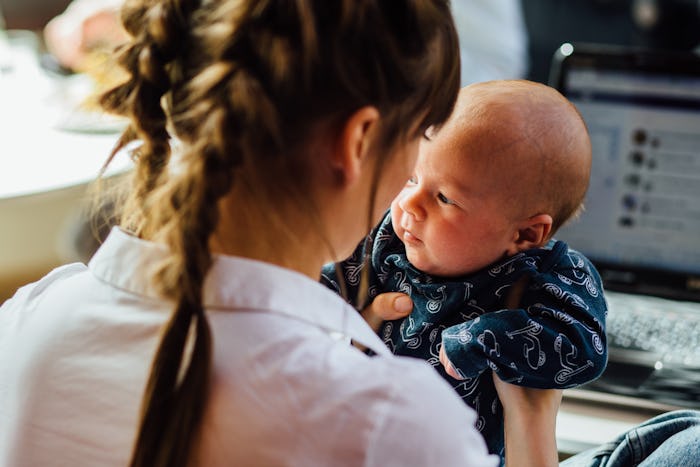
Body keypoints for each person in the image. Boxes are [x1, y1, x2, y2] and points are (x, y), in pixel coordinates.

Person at [1, 1, 540, 466]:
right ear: (358, 140)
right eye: (422, 135)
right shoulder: (392, 424)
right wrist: (532, 416)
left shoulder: (28, 320)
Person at [322, 79, 608, 459]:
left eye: (444, 197)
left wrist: (484, 339)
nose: (409, 204)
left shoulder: (546, 277)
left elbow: (583, 349)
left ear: (525, 233)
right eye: (412, 177)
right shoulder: (387, 242)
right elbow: (316, 282)